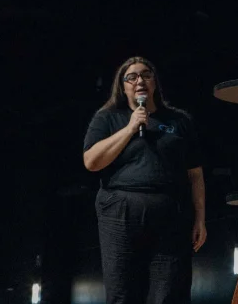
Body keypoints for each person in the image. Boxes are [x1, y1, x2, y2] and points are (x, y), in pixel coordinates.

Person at [83, 57, 207, 304]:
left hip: (171, 211)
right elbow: (91, 161)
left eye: (146, 75)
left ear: (155, 83)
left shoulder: (179, 120)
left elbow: (195, 175)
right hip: (120, 211)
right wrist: (130, 128)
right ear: (123, 86)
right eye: (132, 77)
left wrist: (200, 219)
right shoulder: (108, 118)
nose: (140, 80)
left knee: (169, 290)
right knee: (123, 289)